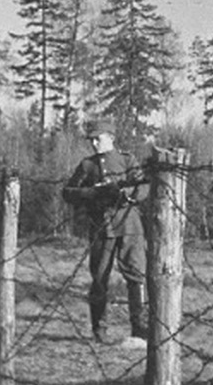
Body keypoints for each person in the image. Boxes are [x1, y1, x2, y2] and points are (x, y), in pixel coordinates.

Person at [61, 120, 149, 344]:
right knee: (99, 278)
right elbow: (68, 192)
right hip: (102, 227)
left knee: (136, 276)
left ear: (111, 138)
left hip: (129, 226)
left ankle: (139, 328)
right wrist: (91, 194)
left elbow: (143, 186)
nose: (93, 143)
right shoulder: (87, 165)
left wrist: (125, 194)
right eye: (91, 139)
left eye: (97, 139)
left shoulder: (127, 160)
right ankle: (99, 330)